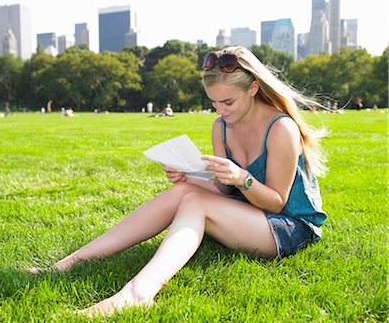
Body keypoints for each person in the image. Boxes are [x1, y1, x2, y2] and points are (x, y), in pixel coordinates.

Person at [27, 46, 328, 317]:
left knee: (195, 202)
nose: (221, 111)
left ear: (253, 88)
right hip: (247, 213)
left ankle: (137, 294)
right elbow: (225, 190)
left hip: (288, 226)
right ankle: (69, 262)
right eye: (213, 103)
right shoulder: (221, 126)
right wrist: (193, 177)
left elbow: (276, 201)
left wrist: (242, 178)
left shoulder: (281, 128)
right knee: (185, 190)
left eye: (228, 102)